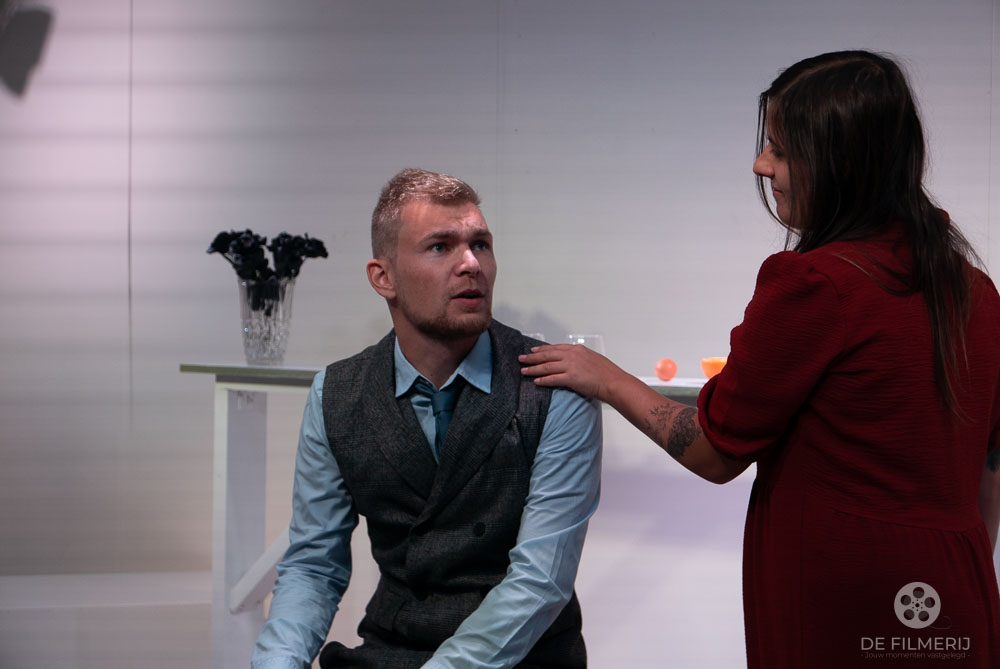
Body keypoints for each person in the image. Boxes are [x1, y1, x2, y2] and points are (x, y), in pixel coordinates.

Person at [520, 50, 1000, 668]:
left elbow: (714, 451)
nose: (761, 164)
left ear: (841, 162)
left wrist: (607, 378)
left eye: (781, 149)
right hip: (954, 592)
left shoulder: (816, 284)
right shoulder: (973, 288)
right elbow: (989, 468)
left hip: (846, 599)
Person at [251, 168, 602, 669]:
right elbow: (313, 565)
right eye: (440, 246)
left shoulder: (554, 386)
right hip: (389, 651)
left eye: (480, 244)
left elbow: (540, 581)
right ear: (384, 277)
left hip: (524, 660)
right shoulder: (337, 393)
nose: (471, 264)